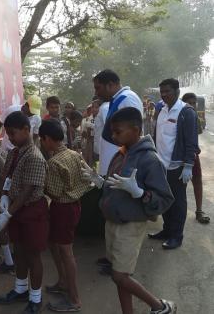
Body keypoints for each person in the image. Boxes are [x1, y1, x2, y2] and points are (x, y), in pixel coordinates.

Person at [82, 107, 176, 314]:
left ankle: (160, 307)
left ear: (135, 129)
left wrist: (140, 193)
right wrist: (101, 182)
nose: (113, 136)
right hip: (112, 222)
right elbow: (116, 183)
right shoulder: (121, 153)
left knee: (120, 276)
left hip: (130, 226)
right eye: (112, 132)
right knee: (118, 276)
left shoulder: (150, 160)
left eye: (118, 131)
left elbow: (165, 199)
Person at [0, 111, 48, 314]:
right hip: (16, 209)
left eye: (13, 133)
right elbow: (7, 176)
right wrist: (3, 195)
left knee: (33, 255)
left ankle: (35, 298)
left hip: (31, 210)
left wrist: (7, 214)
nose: (11, 138)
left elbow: (27, 192)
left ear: (26, 130)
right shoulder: (15, 153)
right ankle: (20, 289)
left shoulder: (34, 156)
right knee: (19, 251)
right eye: (8, 134)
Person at [39, 120, 91, 312]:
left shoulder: (54, 163)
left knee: (66, 251)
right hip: (74, 205)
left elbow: (53, 191)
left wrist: (41, 185)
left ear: (48, 139)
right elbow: (87, 177)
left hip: (63, 207)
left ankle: (75, 299)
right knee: (55, 245)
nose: (42, 144)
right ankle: (63, 282)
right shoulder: (74, 154)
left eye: (42, 140)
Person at [148, 79, 200, 249]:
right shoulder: (161, 110)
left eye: (167, 91)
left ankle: (176, 236)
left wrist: (188, 166)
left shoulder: (186, 112)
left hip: (176, 166)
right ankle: (167, 230)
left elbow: (191, 142)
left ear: (177, 92)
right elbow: (157, 136)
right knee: (165, 200)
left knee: (178, 202)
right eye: (161, 92)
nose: (164, 95)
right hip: (161, 165)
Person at [93, 69, 143, 176]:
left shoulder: (127, 99)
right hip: (113, 164)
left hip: (121, 167)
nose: (96, 93)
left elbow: (134, 136)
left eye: (98, 88)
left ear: (110, 85)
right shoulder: (117, 99)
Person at [181, 92, 209, 224]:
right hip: (181, 155)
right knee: (179, 185)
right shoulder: (181, 115)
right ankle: (177, 212)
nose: (192, 105)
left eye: (194, 103)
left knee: (197, 180)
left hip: (193, 153)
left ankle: (199, 210)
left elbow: (196, 134)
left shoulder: (194, 116)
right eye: (189, 103)